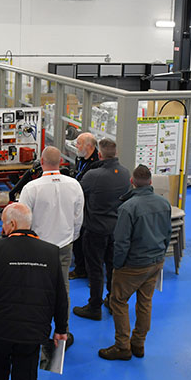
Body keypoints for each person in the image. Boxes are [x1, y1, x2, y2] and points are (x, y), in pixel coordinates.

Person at [0, 203, 68, 380]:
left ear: (11, 224)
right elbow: (60, 295)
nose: (3, 228)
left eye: (4, 224)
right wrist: (61, 328)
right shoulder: (51, 252)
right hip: (33, 332)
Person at [99, 165, 172, 360]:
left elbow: (121, 242)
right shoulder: (164, 204)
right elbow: (167, 234)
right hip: (155, 262)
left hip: (133, 265)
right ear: (150, 182)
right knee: (145, 302)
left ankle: (122, 346)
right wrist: (159, 256)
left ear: (132, 182)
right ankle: (138, 343)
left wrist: (118, 265)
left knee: (118, 301)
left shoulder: (128, 208)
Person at [19, 146, 84, 348]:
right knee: (62, 288)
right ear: (60, 163)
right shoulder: (74, 185)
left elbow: (23, 220)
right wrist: (70, 237)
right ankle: (62, 331)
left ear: (41, 161)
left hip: (38, 247)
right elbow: (78, 218)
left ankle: (38, 330)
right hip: (64, 245)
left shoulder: (31, 188)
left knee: (36, 288)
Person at [73, 138, 130, 321]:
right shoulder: (124, 173)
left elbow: (78, 195)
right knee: (112, 266)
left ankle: (94, 306)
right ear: (116, 153)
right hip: (115, 229)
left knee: (95, 269)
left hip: (95, 229)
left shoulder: (93, 175)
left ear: (99, 154)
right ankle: (113, 302)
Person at [69, 132, 99, 280]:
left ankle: (86, 270)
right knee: (77, 237)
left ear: (89, 146)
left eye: (79, 143)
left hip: (89, 206)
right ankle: (80, 267)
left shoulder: (96, 164)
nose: (76, 146)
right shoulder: (80, 158)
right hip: (77, 202)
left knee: (85, 240)